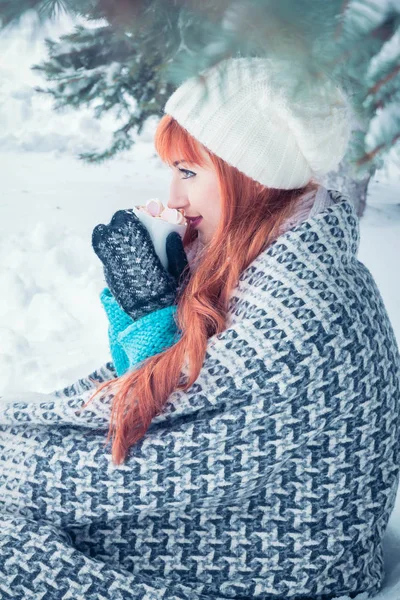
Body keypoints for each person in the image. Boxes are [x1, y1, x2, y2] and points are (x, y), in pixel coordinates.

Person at [0, 56, 399, 600]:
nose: (175, 195)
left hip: (282, 561)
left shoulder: (301, 310)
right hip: (278, 535)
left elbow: (155, 450)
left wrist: (150, 311)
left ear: (251, 176)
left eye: (188, 171)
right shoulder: (279, 256)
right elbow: (170, 405)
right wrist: (150, 306)